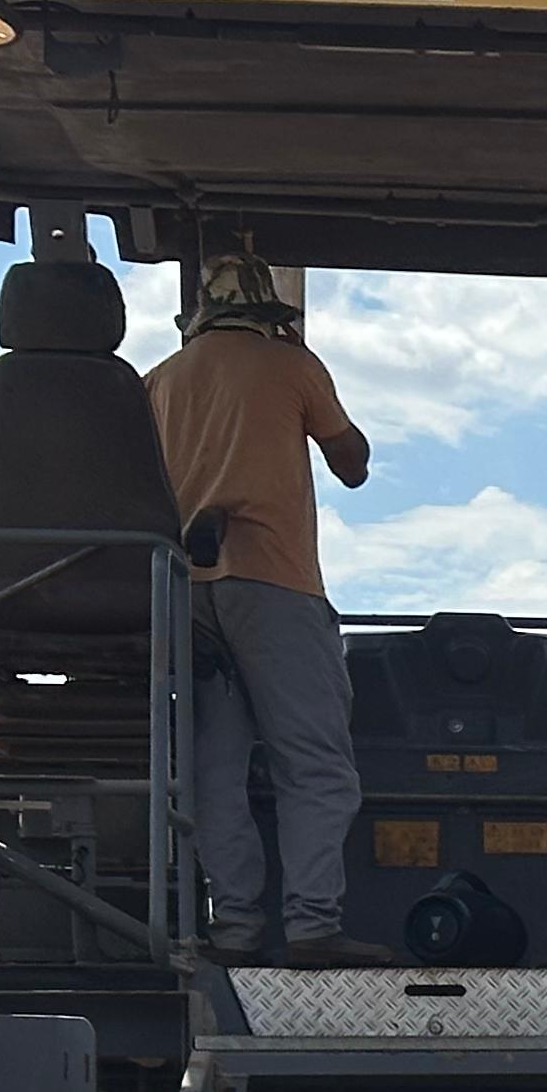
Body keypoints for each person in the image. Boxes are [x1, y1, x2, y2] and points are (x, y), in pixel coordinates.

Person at [145, 255, 393, 969]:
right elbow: (353, 463)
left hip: (184, 595)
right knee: (315, 763)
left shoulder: (157, 382)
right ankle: (313, 924)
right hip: (274, 583)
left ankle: (236, 928)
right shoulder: (290, 367)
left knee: (214, 770)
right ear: (267, 313)